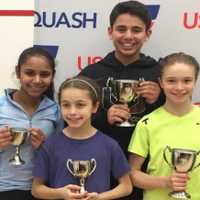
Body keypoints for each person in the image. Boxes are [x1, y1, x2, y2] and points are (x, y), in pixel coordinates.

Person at [79, 1, 164, 199]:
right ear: (110, 32)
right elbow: (71, 117)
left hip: (145, 168)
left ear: (147, 34)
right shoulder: (91, 73)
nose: (128, 36)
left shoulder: (159, 73)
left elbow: (176, 119)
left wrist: (159, 100)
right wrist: (102, 117)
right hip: (98, 166)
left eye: (136, 30)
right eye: (121, 29)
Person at [31, 76, 132, 200]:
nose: (72, 112)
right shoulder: (50, 144)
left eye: (80, 105)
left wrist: (99, 197)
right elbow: (36, 189)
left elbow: (126, 186)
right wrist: (61, 193)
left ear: (95, 107)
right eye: (66, 105)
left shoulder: (109, 145)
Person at [128, 52, 200, 200]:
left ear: (195, 81)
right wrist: (165, 182)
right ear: (161, 83)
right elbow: (132, 174)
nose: (179, 87)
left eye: (187, 80)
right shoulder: (147, 123)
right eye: (171, 81)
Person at [0, 46, 62, 200]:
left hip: (43, 189)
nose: (37, 80)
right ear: (18, 71)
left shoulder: (55, 110)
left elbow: (61, 155)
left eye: (45, 74)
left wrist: (44, 147)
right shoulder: (1, 106)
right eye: (29, 73)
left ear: (52, 75)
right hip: (4, 188)